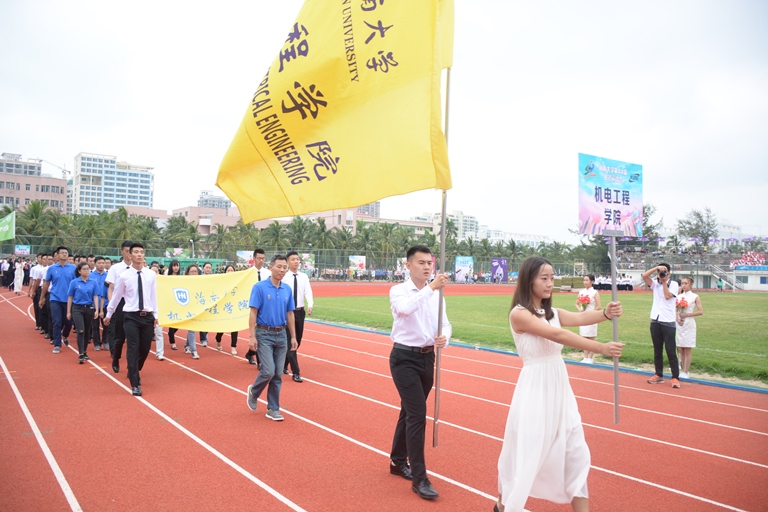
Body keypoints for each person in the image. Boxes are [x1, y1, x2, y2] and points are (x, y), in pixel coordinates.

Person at [496, 257, 623, 512]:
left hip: (560, 389)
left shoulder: (552, 313)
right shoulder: (519, 314)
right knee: (530, 453)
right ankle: (504, 505)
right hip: (535, 390)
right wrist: (600, 348)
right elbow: (557, 334)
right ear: (528, 281)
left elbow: (580, 317)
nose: (550, 283)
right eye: (544, 278)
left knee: (575, 452)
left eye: (552, 278)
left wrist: (605, 314)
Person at [388, 245, 451, 500]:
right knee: (417, 415)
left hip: (427, 358)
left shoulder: (437, 294)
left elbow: (445, 323)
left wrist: (445, 337)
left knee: (409, 410)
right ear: (408, 265)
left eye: (429, 263)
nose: (427, 267)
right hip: (404, 358)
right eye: (421, 262)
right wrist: (431, 288)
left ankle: (396, 461)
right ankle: (420, 478)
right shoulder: (399, 291)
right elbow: (405, 309)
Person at [245, 255, 297, 421]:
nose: (282, 270)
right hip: (264, 334)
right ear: (271, 267)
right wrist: (252, 336)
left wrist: (293, 337)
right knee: (268, 371)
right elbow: (253, 312)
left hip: (281, 334)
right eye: (279, 266)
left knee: (277, 375)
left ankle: (273, 409)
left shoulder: (287, 289)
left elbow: (290, 314)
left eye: (284, 267)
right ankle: (254, 391)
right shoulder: (259, 287)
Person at [104, 243, 158, 397]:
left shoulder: (151, 275)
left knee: (145, 348)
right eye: (136, 252)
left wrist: (156, 315)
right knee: (133, 347)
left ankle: (134, 368)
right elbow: (116, 297)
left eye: (141, 252)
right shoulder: (124, 276)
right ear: (130, 255)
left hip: (147, 316)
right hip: (131, 317)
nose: (139, 254)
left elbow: (153, 296)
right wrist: (109, 314)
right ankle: (135, 383)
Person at [642, 263, 681, 388]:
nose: (661, 274)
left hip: (668, 321)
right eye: (660, 272)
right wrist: (656, 268)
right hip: (655, 319)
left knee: (670, 350)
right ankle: (658, 374)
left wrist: (664, 282)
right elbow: (644, 276)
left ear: (669, 273)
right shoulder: (655, 284)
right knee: (657, 350)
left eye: (664, 271)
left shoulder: (674, 284)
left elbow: (668, 296)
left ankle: (675, 377)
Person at [282, 250, 314, 382]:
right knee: (291, 341)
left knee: (298, 341)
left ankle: (284, 364)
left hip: (300, 312)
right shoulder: (284, 277)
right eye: (293, 259)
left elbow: (308, 291)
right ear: (288, 262)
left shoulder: (304, 277)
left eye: (297, 259)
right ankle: (296, 372)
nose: (296, 261)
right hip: (287, 312)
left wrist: (310, 304)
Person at [40, 247, 76, 354]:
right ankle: (57, 344)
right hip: (55, 298)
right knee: (56, 322)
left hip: (69, 299)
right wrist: (42, 298)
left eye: (66, 253)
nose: (64, 254)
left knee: (68, 322)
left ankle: (65, 335)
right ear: (57, 255)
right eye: (62, 253)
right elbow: (46, 283)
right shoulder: (52, 268)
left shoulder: (73, 268)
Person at [105, 241, 134, 373]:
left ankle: (131, 366)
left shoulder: (139, 268)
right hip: (120, 303)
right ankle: (116, 358)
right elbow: (111, 288)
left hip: (134, 303)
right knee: (120, 336)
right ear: (122, 252)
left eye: (131, 251)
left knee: (133, 338)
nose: (129, 254)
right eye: (127, 251)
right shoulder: (115, 268)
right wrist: (112, 306)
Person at [66, 262, 100, 364]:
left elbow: (95, 296)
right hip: (77, 308)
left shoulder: (93, 282)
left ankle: (84, 351)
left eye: (88, 269)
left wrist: (97, 309)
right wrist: (68, 311)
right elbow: (70, 297)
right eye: (84, 269)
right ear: (79, 271)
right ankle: (80, 354)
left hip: (89, 308)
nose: (86, 271)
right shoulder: (74, 282)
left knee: (87, 331)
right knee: (80, 330)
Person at [244, 248, 271, 365]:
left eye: (263, 258)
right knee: (256, 333)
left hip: (265, 307)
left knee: (261, 334)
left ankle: (252, 355)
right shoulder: (248, 273)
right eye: (259, 258)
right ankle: (259, 360)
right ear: (254, 258)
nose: (261, 261)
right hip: (253, 306)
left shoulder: (268, 274)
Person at [676, 276, 703, 379]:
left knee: (687, 348)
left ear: (691, 284)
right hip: (680, 324)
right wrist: (677, 319)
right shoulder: (679, 296)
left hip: (689, 323)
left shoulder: (695, 296)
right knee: (681, 348)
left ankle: (686, 371)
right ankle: (682, 370)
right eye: (682, 283)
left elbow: (700, 311)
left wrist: (687, 315)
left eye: (686, 283)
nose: (683, 285)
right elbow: (675, 310)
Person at [575, 274, 601, 364]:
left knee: (591, 337)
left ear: (592, 281)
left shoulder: (595, 292)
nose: (585, 282)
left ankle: (590, 358)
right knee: (584, 337)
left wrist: (591, 313)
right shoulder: (581, 292)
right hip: (583, 317)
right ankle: (585, 357)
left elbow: (599, 306)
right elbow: (576, 303)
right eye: (584, 280)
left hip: (592, 317)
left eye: (587, 280)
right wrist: (580, 310)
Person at [215, 264, 240, 353]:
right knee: (222, 327)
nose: (230, 272)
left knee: (234, 327)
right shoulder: (221, 282)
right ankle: (218, 339)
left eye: (231, 270)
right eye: (228, 270)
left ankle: (233, 346)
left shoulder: (238, 281)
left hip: (234, 308)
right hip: (224, 308)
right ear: (225, 272)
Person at [90, 256, 108, 351]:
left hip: (106, 303)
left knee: (106, 324)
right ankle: (96, 343)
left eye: (103, 263)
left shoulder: (108, 275)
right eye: (99, 263)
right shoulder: (91, 275)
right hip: (94, 304)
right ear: (95, 264)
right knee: (95, 325)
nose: (101, 265)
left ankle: (105, 341)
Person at [184, 264, 201, 359]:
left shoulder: (201, 282)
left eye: (195, 271)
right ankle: (194, 350)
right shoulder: (184, 282)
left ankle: (187, 345)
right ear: (188, 273)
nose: (194, 273)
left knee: (192, 328)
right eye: (192, 271)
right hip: (187, 308)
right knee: (192, 328)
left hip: (197, 307)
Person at [165, 259, 182, 350]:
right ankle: (173, 342)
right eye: (174, 266)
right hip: (171, 302)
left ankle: (171, 333)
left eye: (177, 266)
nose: (176, 268)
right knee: (172, 322)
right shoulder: (168, 278)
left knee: (179, 322)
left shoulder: (182, 278)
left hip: (179, 302)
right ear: (171, 267)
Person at [150, 265, 165, 361]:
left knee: (159, 332)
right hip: (146, 310)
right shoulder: (145, 282)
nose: (154, 273)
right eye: (152, 271)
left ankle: (160, 353)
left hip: (158, 311)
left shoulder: (162, 284)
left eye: (156, 271)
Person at [198, 261, 213, 348]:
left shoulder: (213, 278)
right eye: (206, 267)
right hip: (201, 301)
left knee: (209, 320)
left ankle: (205, 333)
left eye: (209, 268)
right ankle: (203, 339)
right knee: (202, 320)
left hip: (211, 301)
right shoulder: (200, 278)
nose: (208, 269)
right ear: (203, 268)